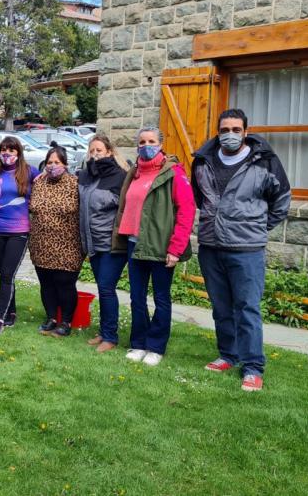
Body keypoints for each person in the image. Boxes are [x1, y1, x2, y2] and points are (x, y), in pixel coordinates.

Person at [191, 109, 290, 392]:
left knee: (247, 309)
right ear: (218, 132)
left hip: (247, 249)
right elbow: (202, 200)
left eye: (236, 129)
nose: (230, 134)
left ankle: (252, 367)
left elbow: (281, 201)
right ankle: (228, 355)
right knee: (221, 308)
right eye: (225, 129)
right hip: (211, 247)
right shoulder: (202, 161)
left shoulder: (265, 162)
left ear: (246, 132)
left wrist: (255, 227)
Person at [112, 126, 196, 367]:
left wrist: (176, 248)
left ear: (161, 143)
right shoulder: (134, 172)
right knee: (137, 297)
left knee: (161, 297)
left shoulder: (173, 173)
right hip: (134, 244)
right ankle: (138, 343)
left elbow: (186, 211)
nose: (145, 145)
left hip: (161, 246)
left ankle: (156, 346)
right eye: (141, 142)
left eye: (151, 141)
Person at [78, 135, 128, 353]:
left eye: (99, 150)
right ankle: (104, 331)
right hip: (92, 242)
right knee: (102, 287)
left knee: (107, 288)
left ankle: (110, 336)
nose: (95, 154)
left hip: (111, 243)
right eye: (92, 150)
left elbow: (124, 208)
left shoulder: (120, 176)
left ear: (109, 152)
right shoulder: (86, 174)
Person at [29, 145, 84, 337]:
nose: (53, 166)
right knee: (46, 283)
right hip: (40, 243)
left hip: (68, 245)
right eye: (50, 162)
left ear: (65, 164)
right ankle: (51, 317)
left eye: (57, 162)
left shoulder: (75, 184)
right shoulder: (39, 182)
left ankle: (66, 321)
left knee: (64, 283)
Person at [0, 136, 38, 335]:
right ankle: (12, 311)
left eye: (12, 150)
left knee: (7, 274)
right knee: (6, 274)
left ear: (19, 153)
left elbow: (45, 186)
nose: (7, 153)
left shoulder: (30, 172)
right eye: (4, 149)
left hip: (19, 231)